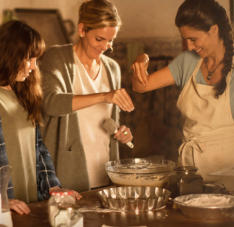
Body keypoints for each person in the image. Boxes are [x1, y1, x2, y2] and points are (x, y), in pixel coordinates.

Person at [0, 20, 81, 215]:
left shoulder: (22, 91)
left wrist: (53, 187)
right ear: (10, 55)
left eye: (36, 59)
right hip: (1, 207)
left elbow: (38, 147)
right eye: (29, 58)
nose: (34, 66)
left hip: (30, 203)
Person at [131, 0, 234, 191]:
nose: (189, 46)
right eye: (185, 39)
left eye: (193, 39)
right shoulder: (189, 61)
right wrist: (141, 59)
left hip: (228, 180)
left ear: (214, 29)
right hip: (189, 174)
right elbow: (140, 86)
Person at [40, 0, 135, 192]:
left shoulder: (112, 69)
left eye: (110, 40)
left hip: (105, 175)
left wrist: (122, 133)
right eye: (99, 39)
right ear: (82, 29)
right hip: (66, 176)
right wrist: (103, 96)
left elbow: (105, 122)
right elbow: (50, 103)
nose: (105, 47)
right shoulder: (56, 58)